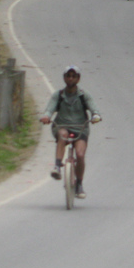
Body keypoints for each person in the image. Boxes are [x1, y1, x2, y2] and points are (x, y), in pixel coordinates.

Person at [40, 66, 101, 199]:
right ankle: (57, 166)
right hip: (61, 125)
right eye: (68, 75)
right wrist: (46, 116)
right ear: (64, 78)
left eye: (74, 76)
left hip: (80, 128)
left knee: (80, 154)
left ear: (78, 78)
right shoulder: (59, 94)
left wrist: (95, 115)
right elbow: (50, 108)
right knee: (63, 134)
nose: (71, 78)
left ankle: (79, 184)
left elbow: (94, 108)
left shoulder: (84, 95)